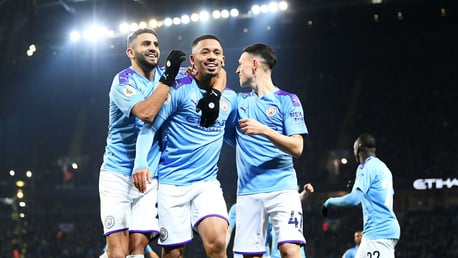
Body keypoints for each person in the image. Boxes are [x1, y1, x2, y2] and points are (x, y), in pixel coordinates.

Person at [133, 34, 236, 258]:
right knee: (173, 254)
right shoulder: (178, 90)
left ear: (223, 60)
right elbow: (148, 127)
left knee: (219, 241)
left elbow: (233, 134)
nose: (211, 56)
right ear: (192, 59)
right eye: (205, 52)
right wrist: (140, 163)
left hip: (206, 183)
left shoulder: (231, 98)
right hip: (172, 185)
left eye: (216, 53)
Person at [98, 27, 186, 258]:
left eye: (156, 44)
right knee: (118, 252)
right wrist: (168, 78)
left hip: (149, 176)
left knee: (137, 250)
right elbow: (146, 113)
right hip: (117, 174)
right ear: (130, 52)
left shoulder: (166, 78)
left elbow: (215, 73)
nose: (153, 49)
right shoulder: (123, 81)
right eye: (146, 44)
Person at [225, 43, 309, 258]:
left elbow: (297, 147)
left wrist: (264, 130)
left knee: (290, 250)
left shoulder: (288, 100)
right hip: (247, 191)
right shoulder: (238, 101)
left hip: (283, 188)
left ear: (254, 64)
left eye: (240, 64)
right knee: (250, 255)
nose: (237, 70)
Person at [322, 133, 401, 258]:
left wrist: (329, 202)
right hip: (383, 231)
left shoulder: (365, 167)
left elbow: (354, 200)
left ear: (358, 148)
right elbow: (383, 195)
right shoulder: (384, 168)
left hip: (378, 232)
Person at [227, 184, 314, 258]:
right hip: (244, 251)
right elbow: (228, 231)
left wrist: (305, 193)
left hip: (269, 253)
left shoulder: (274, 204)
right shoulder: (236, 209)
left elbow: (291, 199)